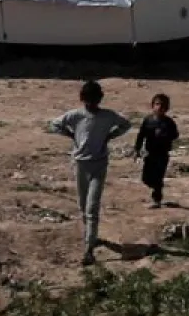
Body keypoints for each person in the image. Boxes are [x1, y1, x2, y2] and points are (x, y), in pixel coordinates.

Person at [49, 80, 133, 266]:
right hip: (81, 164)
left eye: (94, 100)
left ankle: (88, 249)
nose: (92, 104)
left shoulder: (107, 116)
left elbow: (126, 125)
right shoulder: (76, 116)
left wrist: (109, 136)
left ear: (100, 99)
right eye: (89, 101)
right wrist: (71, 135)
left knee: (92, 207)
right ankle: (91, 236)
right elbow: (54, 125)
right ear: (83, 100)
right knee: (82, 205)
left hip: (99, 164)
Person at [133, 93, 180, 207]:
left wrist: (164, 135)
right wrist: (137, 150)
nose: (160, 107)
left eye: (163, 105)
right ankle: (156, 187)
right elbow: (141, 135)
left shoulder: (168, 122)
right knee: (146, 178)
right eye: (157, 104)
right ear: (153, 105)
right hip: (150, 153)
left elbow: (175, 135)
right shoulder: (148, 120)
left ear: (167, 108)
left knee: (158, 177)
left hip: (162, 154)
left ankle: (156, 199)